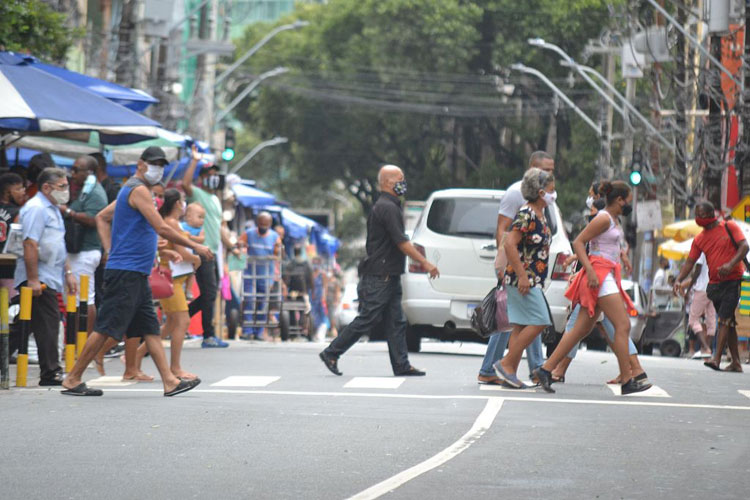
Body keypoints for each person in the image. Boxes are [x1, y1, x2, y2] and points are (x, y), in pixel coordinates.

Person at [61, 146, 213, 397]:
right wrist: (195, 244)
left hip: (136, 272)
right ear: (140, 165)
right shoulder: (138, 190)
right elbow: (161, 228)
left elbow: (102, 217)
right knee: (107, 327)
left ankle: (169, 382)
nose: (158, 169)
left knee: (150, 327)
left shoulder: (131, 190)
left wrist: (111, 248)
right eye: (154, 164)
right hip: (127, 271)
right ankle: (73, 377)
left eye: (162, 165)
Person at [319, 165, 439, 377]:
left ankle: (401, 365)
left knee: (397, 322)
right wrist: (426, 263)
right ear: (387, 183)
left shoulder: (389, 206)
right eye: (399, 180)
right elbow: (402, 243)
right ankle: (332, 352)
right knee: (368, 318)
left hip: (388, 274)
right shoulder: (387, 207)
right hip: (380, 275)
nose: (403, 183)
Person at [534, 181, 651, 395]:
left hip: (606, 274)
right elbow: (579, 242)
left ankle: (545, 369)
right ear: (618, 200)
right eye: (627, 201)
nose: (628, 205)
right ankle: (627, 379)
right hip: (599, 275)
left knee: (580, 329)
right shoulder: (604, 218)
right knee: (623, 324)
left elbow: (609, 245)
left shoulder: (612, 219)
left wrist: (622, 258)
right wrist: (588, 270)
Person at [477, 151, 554, 386]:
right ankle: (507, 363)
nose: (553, 194)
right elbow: (509, 241)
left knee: (519, 325)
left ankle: (509, 371)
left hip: (532, 278)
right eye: (550, 190)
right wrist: (520, 274)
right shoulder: (527, 213)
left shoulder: (540, 212)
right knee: (540, 320)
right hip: (524, 279)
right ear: (540, 192)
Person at [9, 168, 78, 386]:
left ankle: (49, 371)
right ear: (46, 187)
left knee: (25, 325)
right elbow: (30, 243)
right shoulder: (36, 208)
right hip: (39, 277)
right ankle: (50, 372)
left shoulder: (53, 209)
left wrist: (68, 272)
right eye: (62, 186)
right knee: (48, 323)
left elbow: (58, 243)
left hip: (51, 275)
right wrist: (33, 279)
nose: (66, 191)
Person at [131, 189, 200, 380]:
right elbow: (183, 253)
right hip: (170, 279)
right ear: (177, 203)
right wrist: (197, 258)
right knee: (182, 321)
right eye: (183, 200)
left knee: (170, 324)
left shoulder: (174, 223)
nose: (184, 204)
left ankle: (137, 355)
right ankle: (175, 368)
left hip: (175, 278)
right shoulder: (171, 223)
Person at [674, 200, 748, 373]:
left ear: (710, 214)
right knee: (728, 322)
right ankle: (736, 362)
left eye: (701, 215)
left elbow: (744, 247)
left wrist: (730, 264)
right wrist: (678, 279)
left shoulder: (729, 227)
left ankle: (716, 358)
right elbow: (690, 263)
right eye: (696, 216)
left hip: (733, 280)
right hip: (714, 286)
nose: (698, 219)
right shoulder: (699, 239)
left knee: (723, 319)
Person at [59, 155, 108, 373]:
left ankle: (84, 345)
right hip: (79, 251)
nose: (73, 172)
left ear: (89, 172)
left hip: (87, 251)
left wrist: (68, 212)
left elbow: (94, 218)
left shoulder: (95, 192)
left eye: (76, 169)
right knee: (78, 298)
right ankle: (78, 344)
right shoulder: (85, 189)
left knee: (84, 299)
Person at [182, 146, 228, 348]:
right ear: (202, 178)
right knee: (209, 293)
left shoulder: (217, 200)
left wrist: (232, 247)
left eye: (216, 174)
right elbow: (185, 184)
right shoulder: (198, 194)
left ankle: (182, 319)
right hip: (202, 251)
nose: (214, 177)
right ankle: (207, 334)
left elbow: (219, 228)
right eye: (210, 174)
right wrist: (194, 161)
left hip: (214, 252)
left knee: (211, 293)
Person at [238, 211, 281, 340]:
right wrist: (240, 247)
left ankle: (259, 332)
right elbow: (239, 245)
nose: (263, 226)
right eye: (261, 223)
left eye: (266, 224)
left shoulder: (275, 237)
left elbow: (279, 254)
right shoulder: (249, 234)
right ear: (257, 223)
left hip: (266, 275)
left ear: (270, 224)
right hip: (250, 274)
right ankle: (247, 330)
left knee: (263, 303)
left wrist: (278, 251)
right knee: (250, 300)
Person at [679, 253, 715, 358]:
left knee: (693, 320)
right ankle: (706, 349)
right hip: (714, 289)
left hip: (702, 289)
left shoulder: (703, 252)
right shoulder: (716, 251)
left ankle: (705, 347)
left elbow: (697, 271)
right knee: (711, 321)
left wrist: (689, 289)